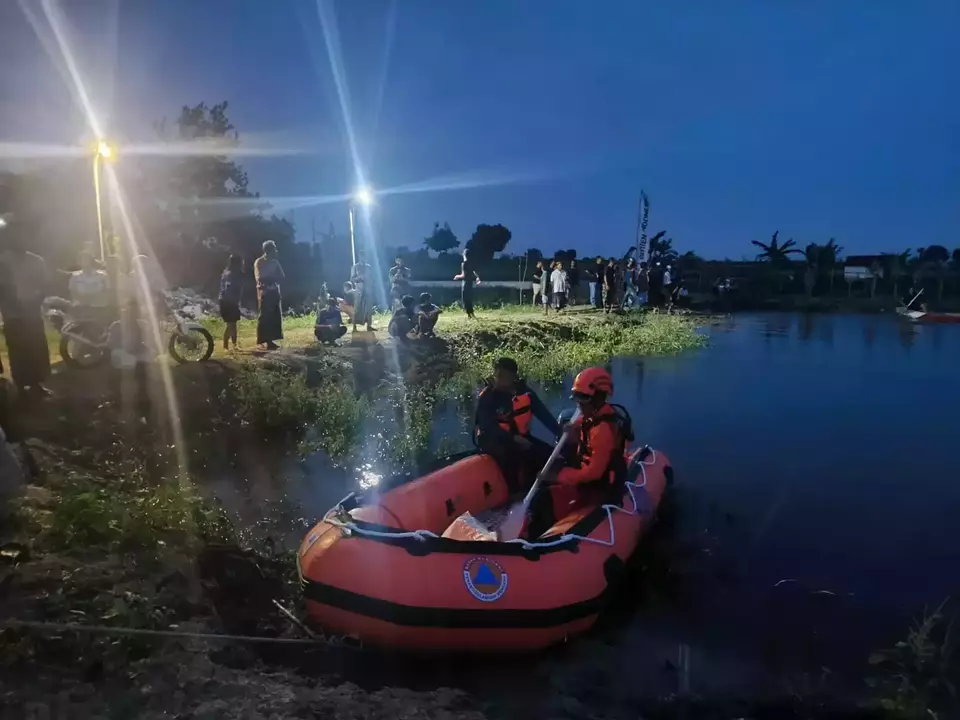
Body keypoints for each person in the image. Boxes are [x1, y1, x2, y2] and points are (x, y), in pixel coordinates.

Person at [525, 367, 632, 540]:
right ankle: (534, 534)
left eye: (584, 397)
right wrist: (573, 427)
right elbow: (584, 423)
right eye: (577, 397)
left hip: (600, 489)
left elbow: (593, 473)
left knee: (543, 500)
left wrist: (558, 476)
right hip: (588, 482)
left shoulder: (603, 430)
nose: (579, 403)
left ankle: (538, 546)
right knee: (542, 495)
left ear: (599, 397)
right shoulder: (592, 417)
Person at [474, 357, 563, 494]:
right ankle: (514, 494)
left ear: (513, 377)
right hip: (494, 441)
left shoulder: (526, 394)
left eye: (503, 376)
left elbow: (544, 416)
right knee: (514, 455)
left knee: (549, 455)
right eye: (497, 375)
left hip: (521, 438)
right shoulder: (488, 396)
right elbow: (487, 426)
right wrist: (513, 438)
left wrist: (561, 432)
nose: (498, 379)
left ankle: (541, 488)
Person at [0, 239, 51, 398]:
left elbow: (44, 285)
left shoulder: (37, 261)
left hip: (32, 314)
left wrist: (36, 299)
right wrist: (12, 304)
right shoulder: (2, 261)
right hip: (13, 315)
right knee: (17, 350)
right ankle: (21, 386)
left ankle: (37, 384)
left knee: (36, 349)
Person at [254, 241, 285, 350]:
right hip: (264, 293)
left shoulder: (275, 263)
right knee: (265, 317)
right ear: (268, 250)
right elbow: (260, 278)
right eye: (273, 249)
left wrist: (274, 279)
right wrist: (271, 279)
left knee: (274, 317)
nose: (275, 252)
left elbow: (281, 276)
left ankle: (270, 341)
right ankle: (264, 340)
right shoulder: (259, 262)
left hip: (274, 291)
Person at [218, 254, 243, 351]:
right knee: (231, 324)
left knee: (232, 324)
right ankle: (228, 345)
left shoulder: (227, 273)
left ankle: (233, 344)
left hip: (227, 301)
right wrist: (234, 300)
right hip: (228, 302)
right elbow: (230, 287)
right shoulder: (232, 274)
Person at [349, 252, 375, 333]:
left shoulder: (369, 267)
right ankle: (354, 326)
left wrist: (371, 283)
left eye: (364, 256)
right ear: (359, 257)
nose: (363, 258)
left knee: (369, 307)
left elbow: (372, 277)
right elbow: (352, 279)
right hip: (359, 288)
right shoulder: (355, 267)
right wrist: (359, 277)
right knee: (357, 307)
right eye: (361, 256)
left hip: (368, 288)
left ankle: (369, 325)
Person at [453, 249, 480, 319]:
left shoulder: (464, 263)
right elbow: (474, 271)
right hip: (470, 283)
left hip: (465, 283)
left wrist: (457, 276)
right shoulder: (471, 263)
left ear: (464, 255)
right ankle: (472, 314)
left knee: (465, 299)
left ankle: (469, 315)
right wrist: (477, 278)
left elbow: (463, 275)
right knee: (469, 299)